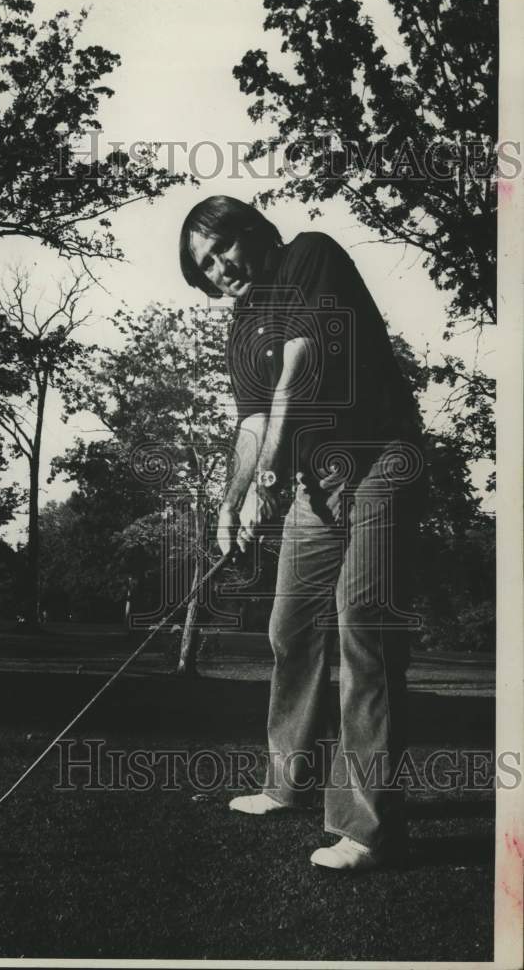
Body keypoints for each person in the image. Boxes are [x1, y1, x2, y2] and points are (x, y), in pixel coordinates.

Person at [179, 195, 425, 871]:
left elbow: (302, 363)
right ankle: (286, 784)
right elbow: (253, 423)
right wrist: (231, 501)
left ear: (251, 231)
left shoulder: (309, 257)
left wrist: (266, 481)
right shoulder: (240, 324)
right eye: (204, 264)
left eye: (222, 246)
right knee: (290, 630)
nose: (219, 267)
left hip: (381, 462)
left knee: (363, 628)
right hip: (316, 489)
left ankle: (367, 828)